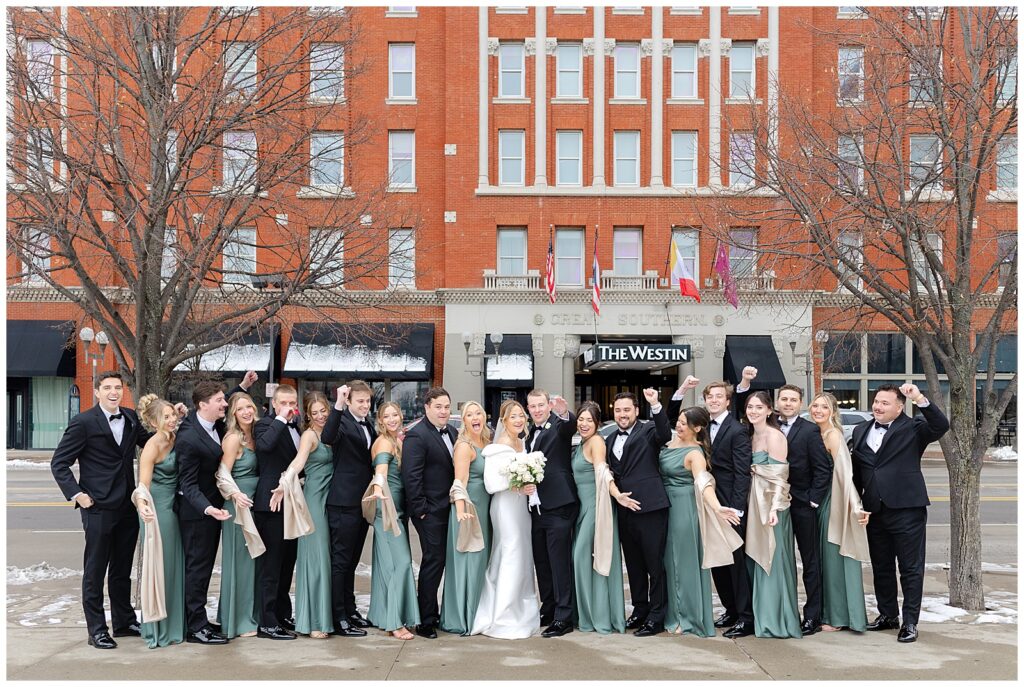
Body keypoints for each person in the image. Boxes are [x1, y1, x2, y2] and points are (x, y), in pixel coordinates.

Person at [51, 372, 156, 649]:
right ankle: (96, 629)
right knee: (95, 571)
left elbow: (151, 443)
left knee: (122, 569)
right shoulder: (83, 422)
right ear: (97, 392)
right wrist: (78, 495)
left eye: (118, 387)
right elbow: (59, 463)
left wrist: (173, 421)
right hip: (97, 506)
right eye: (107, 387)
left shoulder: (130, 417)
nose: (113, 392)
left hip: (127, 506)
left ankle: (124, 622)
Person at [851, 383, 949, 644]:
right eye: (876, 401)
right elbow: (859, 472)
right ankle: (888, 615)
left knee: (910, 568)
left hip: (907, 509)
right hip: (875, 510)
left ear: (899, 407)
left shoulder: (914, 428)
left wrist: (919, 398)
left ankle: (910, 622)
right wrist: (857, 503)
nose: (878, 406)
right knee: (881, 567)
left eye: (885, 403)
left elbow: (941, 425)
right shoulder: (861, 430)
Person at [740, 374, 833, 636]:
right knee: (776, 556)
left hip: (801, 503)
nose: (788, 403)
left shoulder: (809, 430)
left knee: (810, 561)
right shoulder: (758, 429)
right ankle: (769, 610)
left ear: (800, 403)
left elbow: (822, 468)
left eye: (793, 400)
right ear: (777, 403)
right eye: (784, 399)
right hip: (768, 502)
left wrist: (813, 500)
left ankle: (812, 616)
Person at [660, 406, 742, 637]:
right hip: (666, 507)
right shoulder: (670, 443)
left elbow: (703, 482)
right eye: (678, 421)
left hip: (684, 509)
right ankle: (674, 613)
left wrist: (717, 507)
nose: (678, 426)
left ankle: (687, 618)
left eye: (684, 423)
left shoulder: (695, 454)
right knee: (670, 563)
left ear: (697, 428)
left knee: (683, 563)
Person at [470, 400, 541, 639]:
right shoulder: (499, 446)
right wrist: (518, 486)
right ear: (504, 421)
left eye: (521, 415)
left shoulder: (522, 442)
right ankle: (503, 616)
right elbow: (491, 483)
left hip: (521, 508)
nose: (519, 420)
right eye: (513, 417)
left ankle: (521, 609)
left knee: (522, 555)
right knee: (510, 554)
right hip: (505, 508)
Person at [605, 389, 673, 637]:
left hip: (650, 507)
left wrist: (655, 404)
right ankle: (640, 609)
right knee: (633, 564)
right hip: (624, 509)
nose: (622, 414)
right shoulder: (610, 438)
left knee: (654, 564)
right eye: (618, 410)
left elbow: (665, 434)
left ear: (636, 411)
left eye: (627, 410)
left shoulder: (649, 430)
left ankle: (657, 616)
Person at [175, 380, 234, 645]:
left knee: (205, 568)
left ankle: (198, 619)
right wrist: (208, 508)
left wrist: (244, 386)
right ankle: (195, 628)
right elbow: (187, 483)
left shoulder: (214, 425)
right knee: (197, 570)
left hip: (213, 510)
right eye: (219, 400)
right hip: (197, 514)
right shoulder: (188, 437)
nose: (224, 404)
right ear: (203, 404)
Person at [809, 392, 870, 633]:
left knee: (834, 558)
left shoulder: (833, 435)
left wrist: (855, 506)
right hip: (821, 499)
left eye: (824, 407)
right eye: (815, 406)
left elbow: (845, 472)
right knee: (825, 559)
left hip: (834, 501)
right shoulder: (817, 433)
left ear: (833, 412)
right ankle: (832, 612)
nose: (818, 410)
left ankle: (839, 617)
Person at [276, 391, 335, 639]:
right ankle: (313, 621)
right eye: (314, 413)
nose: (320, 416)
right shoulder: (309, 435)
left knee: (328, 559)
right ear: (308, 416)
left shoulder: (333, 432)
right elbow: (299, 462)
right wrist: (285, 482)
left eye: (323, 411)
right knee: (316, 559)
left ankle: (327, 616)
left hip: (331, 499)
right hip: (314, 501)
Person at [701, 379, 755, 638]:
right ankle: (730, 609)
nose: (714, 400)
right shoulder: (702, 427)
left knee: (736, 562)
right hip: (708, 503)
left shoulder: (737, 430)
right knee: (717, 560)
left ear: (727, 401)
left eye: (718, 396)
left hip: (730, 504)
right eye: (710, 396)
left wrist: (737, 508)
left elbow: (742, 472)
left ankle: (746, 617)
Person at [744, 390, 801, 639]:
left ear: (769, 410)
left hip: (771, 505)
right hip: (753, 502)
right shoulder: (751, 436)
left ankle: (776, 620)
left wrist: (775, 508)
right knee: (756, 556)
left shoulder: (774, 436)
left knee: (772, 557)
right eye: (750, 407)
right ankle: (760, 616)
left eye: (759, 407)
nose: (754, 411)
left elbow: (780, 477)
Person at [401, 387, 457, 639]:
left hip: (449, 508)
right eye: (438, 407)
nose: (443, 411)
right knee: (433, 560)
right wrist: (421, 509)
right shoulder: (417, 435)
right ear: (427, 408)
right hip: (429, 511)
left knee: (442, 560)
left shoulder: (453, 432)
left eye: (446, 407)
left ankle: (437, 613)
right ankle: (426, 620)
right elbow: (411, 476)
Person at [322, 381, 376, 636]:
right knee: (341, 562)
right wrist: (338, 405)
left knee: (352, 561)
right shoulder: (341, 421)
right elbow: (327, 437)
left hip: (361, 502)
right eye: (360, 401)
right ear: (350, 401)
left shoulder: (368, 424)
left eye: (367, 401)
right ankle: (338, 617)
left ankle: (350, 610)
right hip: (343, 502)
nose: (365, 405)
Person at [132, 394, 186, 648]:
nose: (172, 419)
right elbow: (142, 486)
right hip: (157, 510)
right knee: (161, 566)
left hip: (175, 506)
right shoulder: (152, 446)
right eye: (166, 417)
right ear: (154, 423)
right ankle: (160, 628)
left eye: (173, 415)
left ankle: (177, 624)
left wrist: (181, 413)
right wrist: (142, 506)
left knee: (176, 564)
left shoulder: (175, 436)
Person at [363, 402, 420, 639]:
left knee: (386, 564)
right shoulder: (384, 442)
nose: (392, 419)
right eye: (386, 416)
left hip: (398, 509)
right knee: (401, 563)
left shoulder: (398, 440)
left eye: (395, 414)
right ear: (380, 421)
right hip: (386, 508)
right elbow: (381, 472)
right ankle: (394, 623)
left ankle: (382, 615)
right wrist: (378, 488)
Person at [524, 389, 578, 638]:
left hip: (559, 504)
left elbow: (568, 428)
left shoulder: (558, 426)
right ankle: (549, 607)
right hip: (537, 507)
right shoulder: (528, 434)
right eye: (532, 406)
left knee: (559, 562)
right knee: (542, 561)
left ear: (548, 406)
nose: (537, 410)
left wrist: (565, 413)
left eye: (541, 405)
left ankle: (564, 616)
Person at [252, 384, 301, 640]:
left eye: (292, 403)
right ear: (274, 404)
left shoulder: (297, 427)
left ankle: (282, 614)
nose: (289, 407)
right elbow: (265, 446)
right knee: (271, 566)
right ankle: (267, 622)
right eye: (283, 403)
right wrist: (281, 418)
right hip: (270, 503)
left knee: (287, 564)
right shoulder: (264, 425)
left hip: (292, 502)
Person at [571, 402, 625, 634]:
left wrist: (617, 494)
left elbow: (603, 472)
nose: (584, 424)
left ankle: (599, 616)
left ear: (597, 423)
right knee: (583, 560)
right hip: (582, 509)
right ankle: (587, 613)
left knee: (586, 558)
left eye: (589, 420)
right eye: (581, 419)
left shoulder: (596, 442)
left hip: (596, 508)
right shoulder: (581, 443)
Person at [440, 400, 492, 635]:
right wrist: (461, 510)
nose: (475, 417)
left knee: (481, 563)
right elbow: (459, 482)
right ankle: (463, 618)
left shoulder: (487, 443)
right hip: (468, 509)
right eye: (469, 414)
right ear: (464, 421)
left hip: (486, 510)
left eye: (478, 413)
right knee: (468, 562)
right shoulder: (463, 446)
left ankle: (478, 612)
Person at [216, 392, 261, 639]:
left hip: (256, 505)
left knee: (253, 563)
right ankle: (238, 620)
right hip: (238, 507)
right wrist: (235, 494)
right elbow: (222, 473)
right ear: (233, 413)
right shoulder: (233, 438)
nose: (246, 412)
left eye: (249, 406)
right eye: (240, 408)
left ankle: (252, 614)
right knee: (240, 563)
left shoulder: (256, 434)